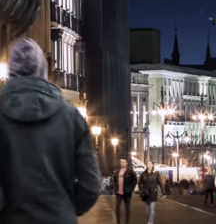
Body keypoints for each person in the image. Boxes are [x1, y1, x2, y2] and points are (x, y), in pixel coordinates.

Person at [0, 38, 100, 224]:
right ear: (43, 71)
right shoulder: (71, 118)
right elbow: (91, 185)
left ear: (11, 72)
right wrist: (64, 208)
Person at [113, 158, 138, 224]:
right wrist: (115, 188)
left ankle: (127, 221)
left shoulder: (130, 171)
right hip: (119, 193)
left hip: (127, 193)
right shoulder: (117, 171)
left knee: (127, 207)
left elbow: (135, 180)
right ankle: (118, 221)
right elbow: (115, 180)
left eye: (124, 162)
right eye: (121, 162)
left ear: (126, 163)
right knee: (117, 206)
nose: (122, 163)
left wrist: (131, 189)